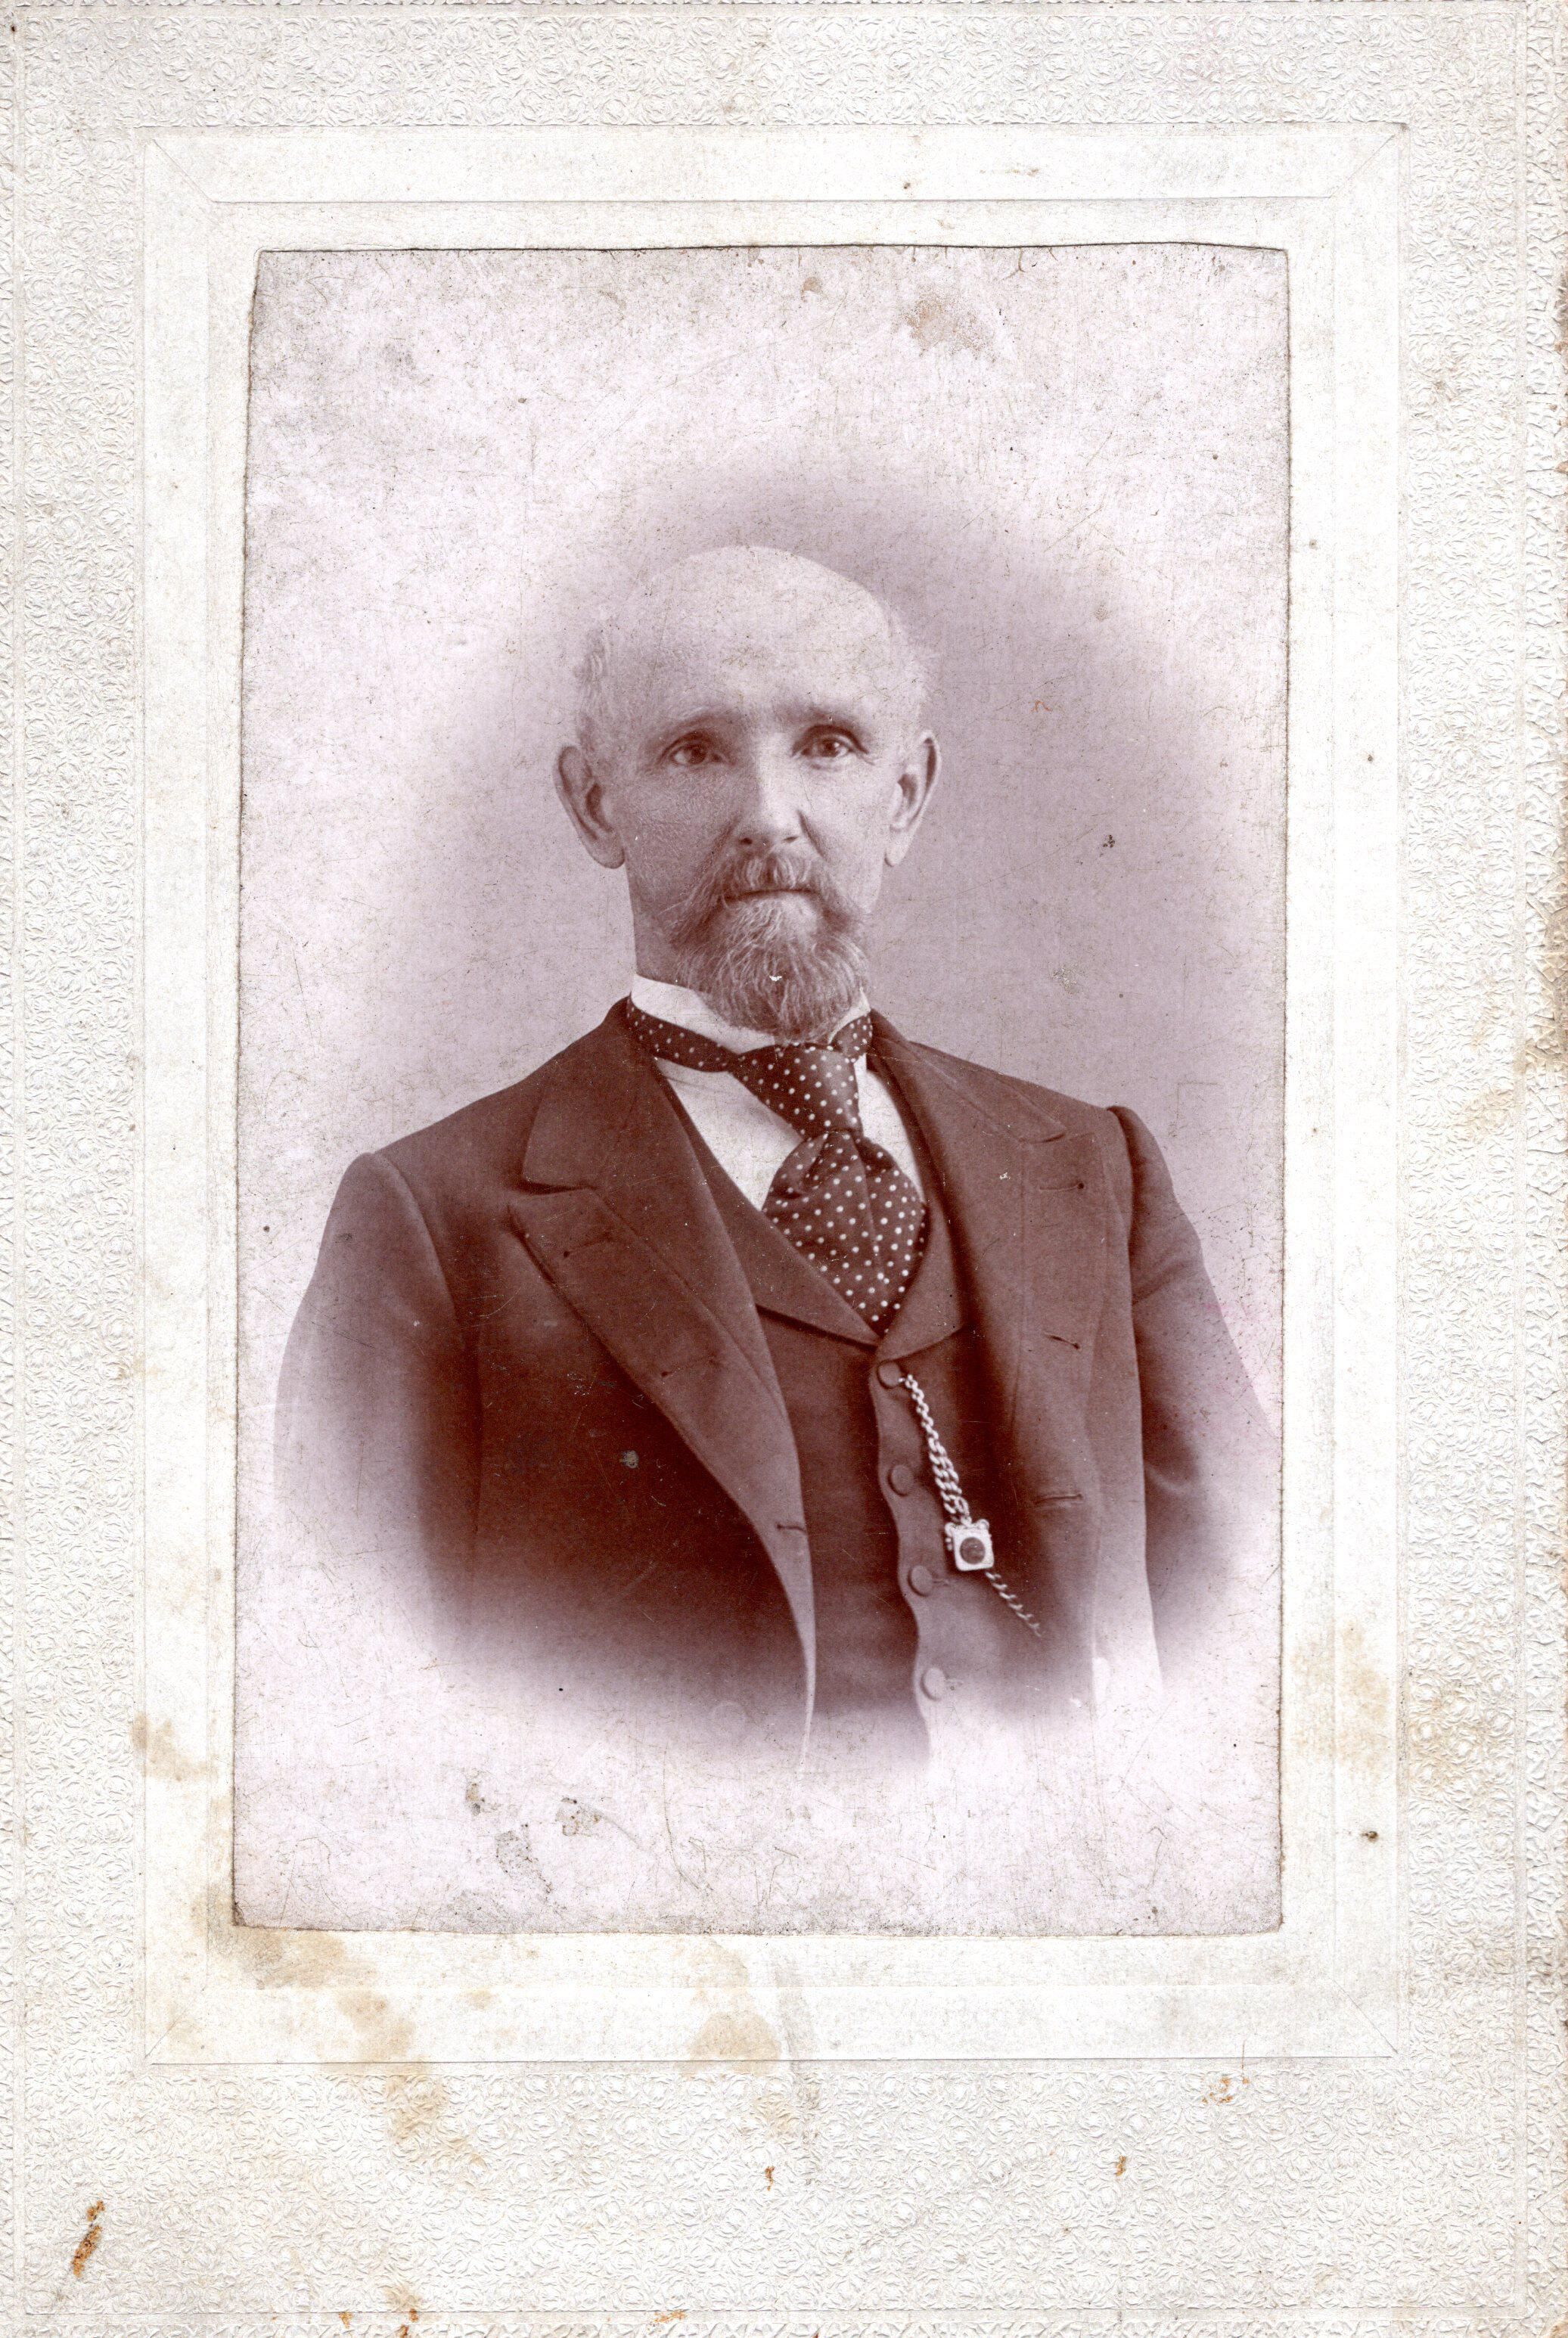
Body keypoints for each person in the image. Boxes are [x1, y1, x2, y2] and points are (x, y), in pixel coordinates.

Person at [275, 545, 1275, 1786]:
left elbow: (1258, 1621)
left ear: (906, 795)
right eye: (695, 750)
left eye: (829, 746)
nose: (767, 814)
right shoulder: (433, 1215)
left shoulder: (1092, 1166)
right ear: (593, 805)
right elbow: (353, 1694)